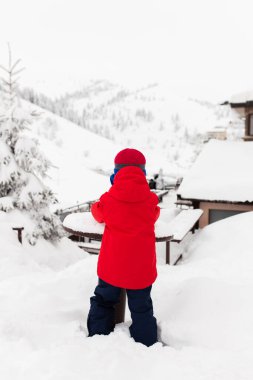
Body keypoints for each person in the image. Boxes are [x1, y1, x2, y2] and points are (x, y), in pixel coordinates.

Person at [87, 148, 160, 347]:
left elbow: (97, 213)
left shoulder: (109, 200)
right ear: (142, 174)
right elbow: (154, 215)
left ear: (115, 174)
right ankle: (147, 344)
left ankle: (97, 339)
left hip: (112, 268)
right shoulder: (150, 200)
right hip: (141, 270)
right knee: (141, 308)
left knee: (103, 300)